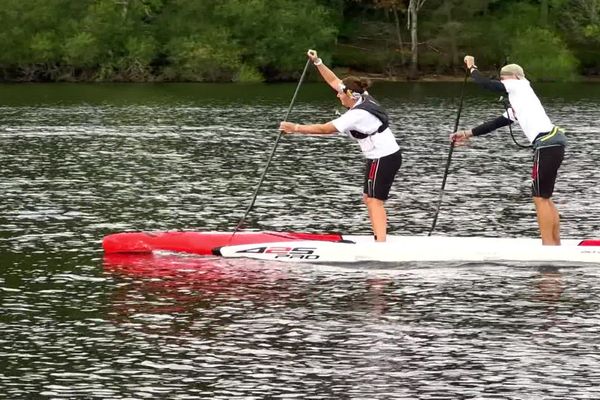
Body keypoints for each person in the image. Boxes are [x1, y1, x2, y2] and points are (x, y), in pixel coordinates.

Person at [279, 49, 402, 242]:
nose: (338, 96)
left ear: (351, 94)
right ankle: (379, 237)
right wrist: (318, 62)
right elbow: (334, 80)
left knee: (374, 201)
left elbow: (324, 129)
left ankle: (381, 245)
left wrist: (294, 127)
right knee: (368, 199)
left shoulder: (356, 114)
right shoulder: (362, 95)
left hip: (384, 157)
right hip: (380, 156)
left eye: (341, 94)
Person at [450, 55, 567, 245]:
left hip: (547, 143)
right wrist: (467, 133)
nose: (502, 83)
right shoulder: (520, 100)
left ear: (515, 76)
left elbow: (486, 84)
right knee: (544, 197)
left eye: (504, 79)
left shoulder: (520, 85)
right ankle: (555, 244)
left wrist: (472, 68)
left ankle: (548, 247)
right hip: (552, 143)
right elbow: (496, 123)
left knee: (539, 198)